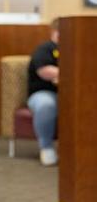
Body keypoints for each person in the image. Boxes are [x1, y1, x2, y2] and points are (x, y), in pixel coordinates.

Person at [27, 18, 60, 166]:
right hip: (43, 93)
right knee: (46, 105)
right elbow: (44, 71)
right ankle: (46, 148)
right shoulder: (45, 49)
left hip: (70, 95)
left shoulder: (76, 49)